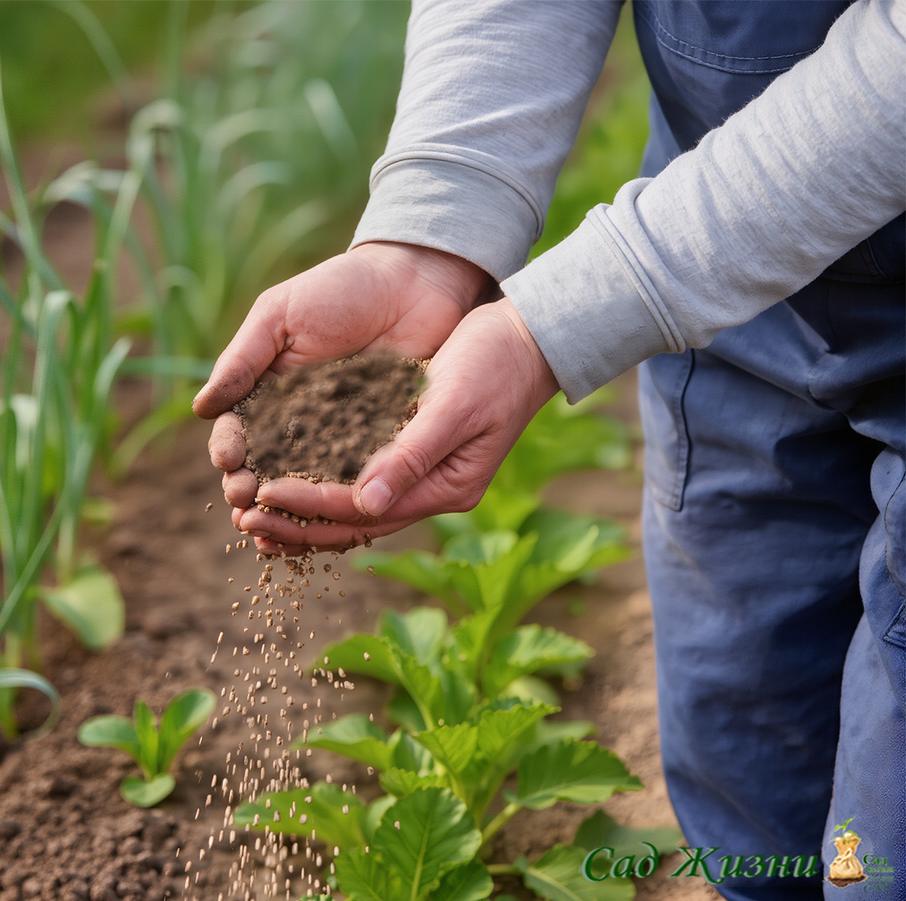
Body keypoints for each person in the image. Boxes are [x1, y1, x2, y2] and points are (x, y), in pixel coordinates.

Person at [193, 3, 905, 900]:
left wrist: (550, 328)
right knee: (756, 779)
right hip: (730, 291)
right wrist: (427, 236)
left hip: (722, 239)